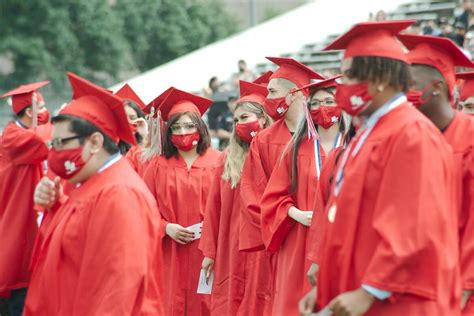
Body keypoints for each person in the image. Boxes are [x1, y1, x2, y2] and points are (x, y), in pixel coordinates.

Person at [316, 20, 460, 315]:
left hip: (398, 299)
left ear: (379, 78)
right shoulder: (371, 132)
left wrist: (370, 289)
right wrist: (327, 289)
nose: (341, 88)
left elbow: (412, 225)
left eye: (348, 76)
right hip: (365, 292)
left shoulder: (412, 133)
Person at [24, 72, 163, 315]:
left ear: (96, 142)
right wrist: (55, 207)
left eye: (61, 143)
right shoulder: (90, 184)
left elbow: (116, 292)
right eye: (52, 145)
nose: (54, 153)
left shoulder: (120, 194)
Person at [398, 33, 474, 315]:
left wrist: (466, 283)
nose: (404, 95)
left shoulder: (469, 139)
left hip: (461, 285)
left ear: (438, 87)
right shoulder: (408, 139)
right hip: (414, 284)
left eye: (411, 86)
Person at [260, 75, 348, 316]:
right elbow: (272, 197)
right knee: (297, 303)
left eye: (329, 101)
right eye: (316, 103)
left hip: (343, 236)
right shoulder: (297, 148)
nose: (322, 108)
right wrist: (295, 213)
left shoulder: (353, 144)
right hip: (302, 239)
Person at [143, 87, 221, 316]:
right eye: (176, 127)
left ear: (200, 127)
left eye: (189, 126)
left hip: (208, 250)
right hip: (169, 251)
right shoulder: (157, 165)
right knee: (169, 305)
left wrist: (213, 239)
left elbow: (229, 209)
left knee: (207, 305)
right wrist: (166, 227)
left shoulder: (219, 161)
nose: (183, 132)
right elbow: (144, 210)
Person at [200, 80, 273, 315]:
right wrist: (209, 252)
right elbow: (214, 208)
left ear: (263, 119)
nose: (241, 124)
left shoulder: (277, 153)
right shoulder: (227, 158)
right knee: (232, 300)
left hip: (265, 244)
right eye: (238, 119)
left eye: (246, 118)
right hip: (231, 245)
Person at [239, 56, 324, 253]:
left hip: (324, 234)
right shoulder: (263, 140)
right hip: (285, 238)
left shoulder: (324, 135)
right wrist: (290, 213)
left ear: (294, 93)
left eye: (272, 92)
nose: (267, 98)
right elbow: (253, 193)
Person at [0, 81, 50, 316]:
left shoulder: (23, 134)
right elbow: (43, 141)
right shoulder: (13, 137)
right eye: (41, 108)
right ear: (30, 111)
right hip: (17, 229)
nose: (45, 113)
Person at [114, 84, 149, 172]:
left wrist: (145, 135)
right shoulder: (112, 147)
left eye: (132, 118)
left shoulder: (145, 146)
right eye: (123, 118)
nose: (128, 122)